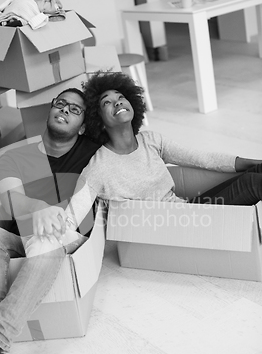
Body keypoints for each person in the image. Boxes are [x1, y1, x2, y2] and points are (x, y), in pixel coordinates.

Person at [0, 88, 100, 354]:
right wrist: (37, 208)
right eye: (60, 104)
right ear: (49, 110)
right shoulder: (15, 157)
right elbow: (9, 200)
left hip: (68, 235)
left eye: (75, 109)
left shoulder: (92, 151)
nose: (65, 110)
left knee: (48, 240)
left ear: (83, 125)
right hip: (24, 233)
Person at [61, 71, 262, 235]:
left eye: (121, 97)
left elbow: (202, 159)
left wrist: (253, 162)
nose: (118, 102)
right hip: (168, 229)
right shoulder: (99, 167)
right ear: (99, 121)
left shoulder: (151, 140)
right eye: (107, 102)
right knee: (253, 184)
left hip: (188, 210)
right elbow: (71, 218)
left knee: (256, 173)